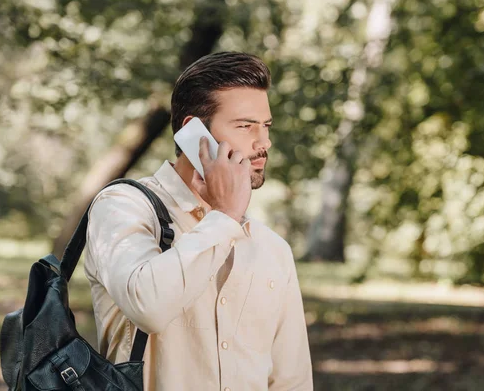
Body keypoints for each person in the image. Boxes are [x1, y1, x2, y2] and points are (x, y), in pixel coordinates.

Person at [84, 52, 313, 391]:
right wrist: (224, 217)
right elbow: (148, 307)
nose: (263, 142)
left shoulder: (273, 249)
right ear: (194, 133)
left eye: (266, 126)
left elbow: (291, 380)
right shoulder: (122, 207)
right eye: (245, 125)